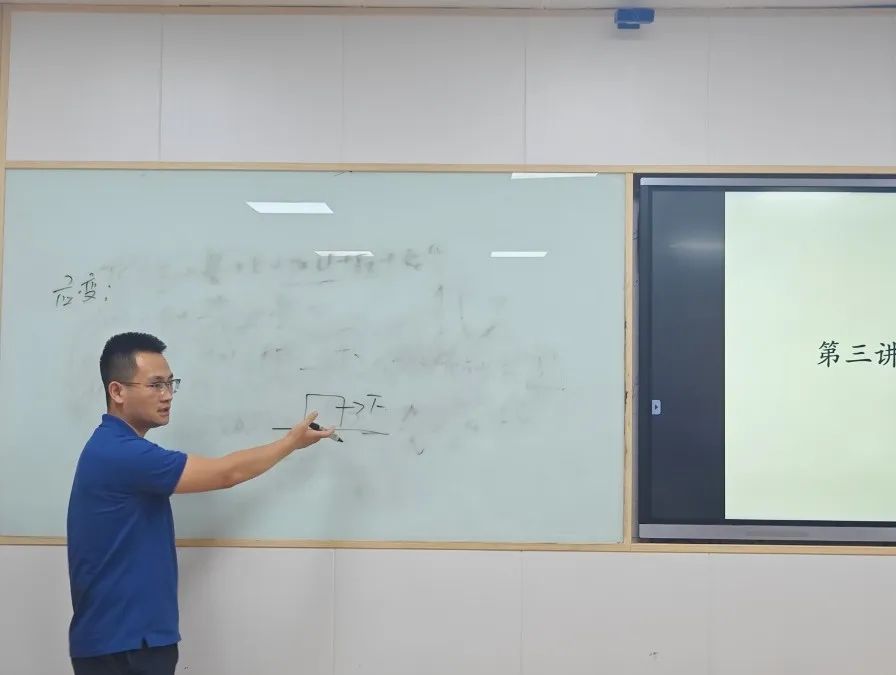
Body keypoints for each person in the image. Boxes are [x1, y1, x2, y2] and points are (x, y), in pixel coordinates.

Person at [66, 331, 333, 675]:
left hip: (128, 642)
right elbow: (226, 473)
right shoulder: (121, 453)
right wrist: (291, 442)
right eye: (156, 385)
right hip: (125, 646)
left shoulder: (112, 447)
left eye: (170, 384)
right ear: (117, 391)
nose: (167, 395)